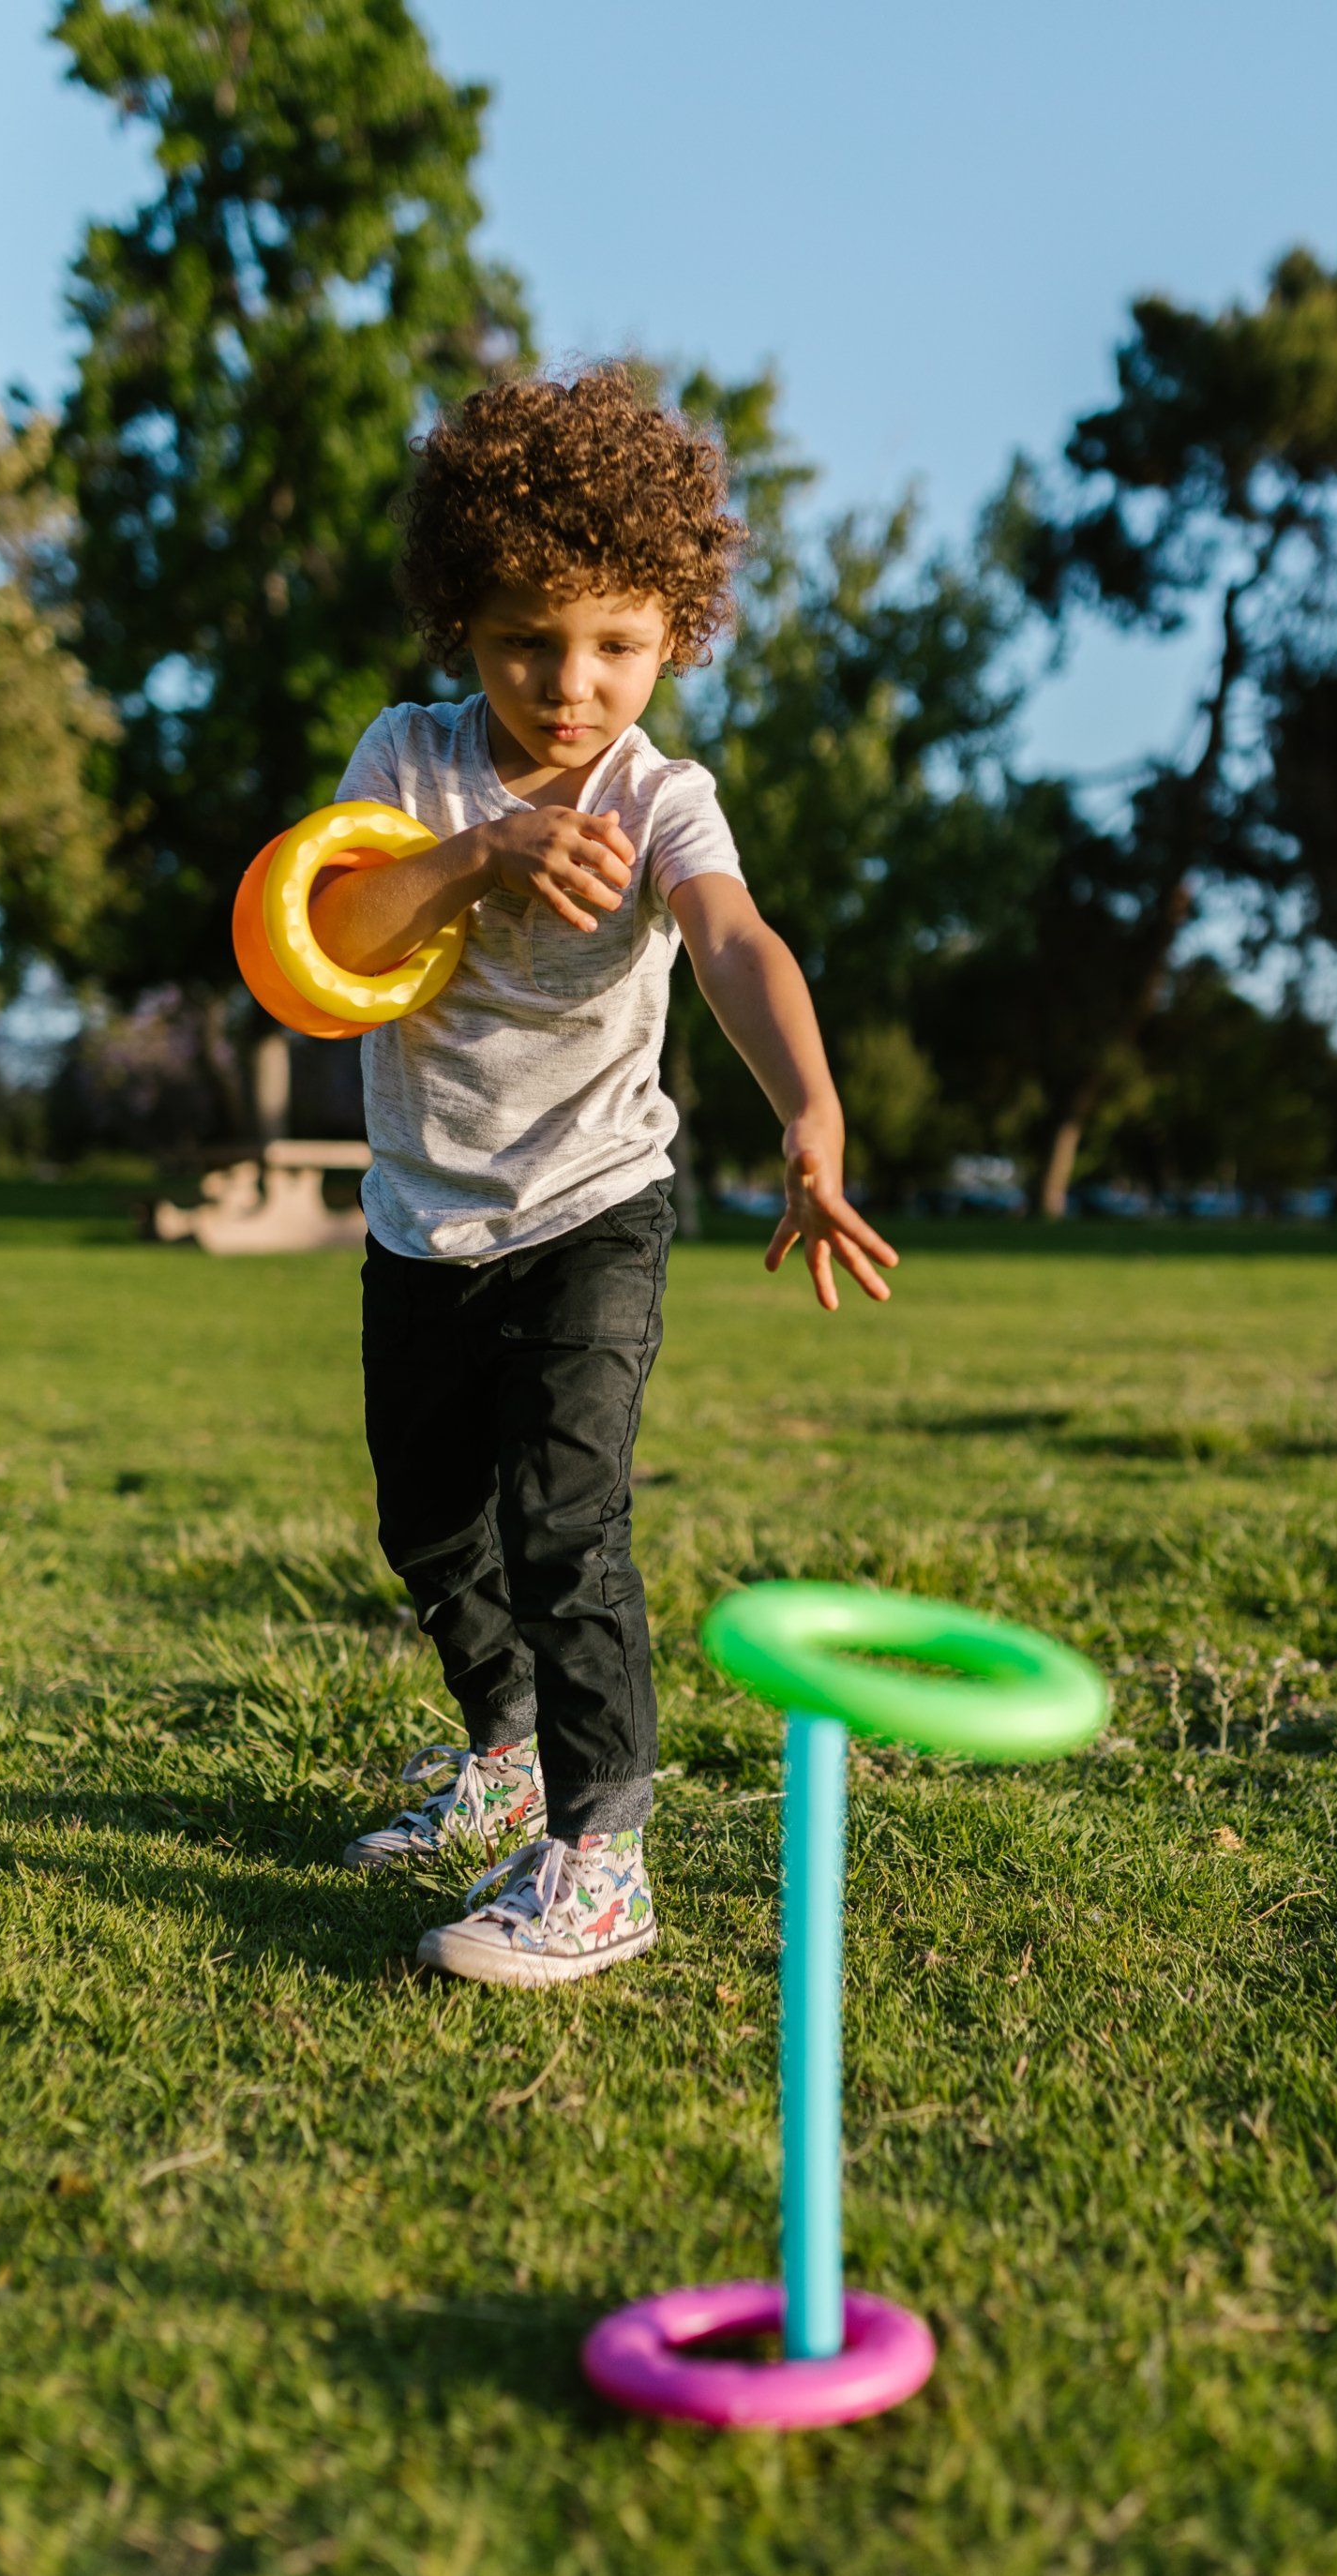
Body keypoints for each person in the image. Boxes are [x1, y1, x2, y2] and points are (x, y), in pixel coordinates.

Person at [315, 364, 896, 1987]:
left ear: (674, 635)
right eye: (526, 642)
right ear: (462, 624)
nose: (571, 687)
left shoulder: (660, 798)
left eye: (617, 648)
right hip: (424, 1213)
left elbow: (736, 941)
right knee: (432, 1529)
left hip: (594, 1206)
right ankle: (499, 1756)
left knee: (564, 1524)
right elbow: (328, 941)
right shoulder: (409, 760)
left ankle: (601, 1857)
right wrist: (478, 852)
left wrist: (811, 1107)